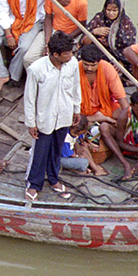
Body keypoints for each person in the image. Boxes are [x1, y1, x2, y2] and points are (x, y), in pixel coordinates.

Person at [23, 31, 81, 201]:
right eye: (67, 53)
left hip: (64, 115)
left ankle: (54, 179)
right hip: (44, 118)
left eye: (71, 52)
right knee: (39, 153)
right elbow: (29, 98)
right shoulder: (36, 70)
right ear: (55, 54)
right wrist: (31, 123)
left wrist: (76, 109)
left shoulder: (73, 64)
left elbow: (75, 87)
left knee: (56, 150)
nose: (71, 56)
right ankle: (34, 184)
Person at [77, 43, 129, 124]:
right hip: (82, 109)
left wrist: (129, 118)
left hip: (106, 106)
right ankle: (95, 118)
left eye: (93, 65)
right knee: (75, 121)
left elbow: (121, 96)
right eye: (86, 64)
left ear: (99, 62)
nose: (89, 68)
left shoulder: (107, 68)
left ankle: (97, 118)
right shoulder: (75, 69)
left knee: (121, 115)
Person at [84, 0, 137, 71]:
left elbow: (130, 48)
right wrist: (94, 32)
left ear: (120, 10)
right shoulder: (99, 18)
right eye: (108, 10)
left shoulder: (126, 25)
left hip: (116, 57)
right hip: (96, 52)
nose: (111, 13)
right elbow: (85, 42)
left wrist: (121, 62)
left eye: (114, 11)